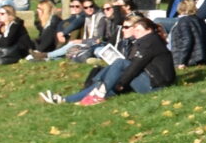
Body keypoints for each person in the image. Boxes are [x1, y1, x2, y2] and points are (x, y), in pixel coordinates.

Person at [44, 10, 179, 103]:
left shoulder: (150, 42)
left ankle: (98, 92)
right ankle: (67, 99)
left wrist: (120, 84)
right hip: (151, 80)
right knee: (110, 77)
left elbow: (135, 66)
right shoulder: (145, 41)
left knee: (120, 64)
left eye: (138, 30)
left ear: (148, 30)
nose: (135, 33)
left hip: (156, 86)